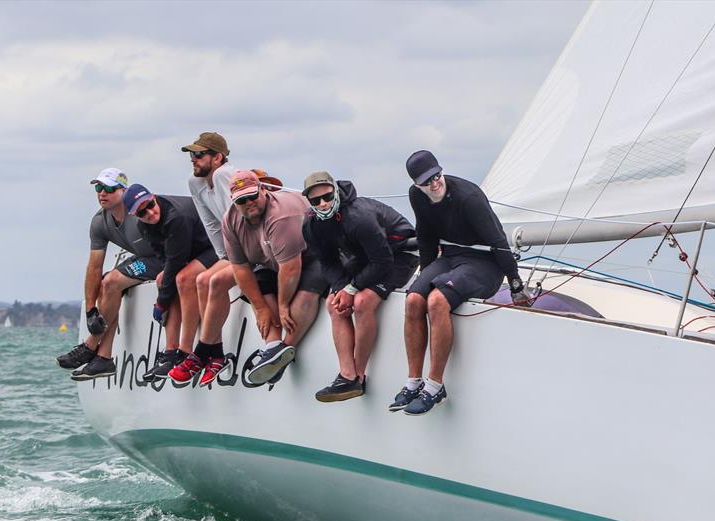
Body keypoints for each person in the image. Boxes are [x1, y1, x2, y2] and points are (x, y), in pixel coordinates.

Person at [390, 150, 530, 416]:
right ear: (416, 185)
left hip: (485, 263)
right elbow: (426, 234)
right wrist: (425, 272)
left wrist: (514, 282)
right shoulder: (416, 195)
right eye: (426, 181)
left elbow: (499, 242)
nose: (434, 183)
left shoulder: (469, 197)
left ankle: (434, 387)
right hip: (452, 257)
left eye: (437, 175)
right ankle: (413, 382)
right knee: (414, 299)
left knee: (437, 301)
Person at [301, 172, 417, 402]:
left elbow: (383, 261)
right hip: (365, 257)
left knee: (363, 302)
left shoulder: (359, 217)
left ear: (335, 192)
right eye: (316, 201)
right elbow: (328, 262)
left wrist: (352, 289)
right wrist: (340, 287)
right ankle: (347, 376)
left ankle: (359, 375)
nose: (323, 203)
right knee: (334, 305)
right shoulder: (311, 226)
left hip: (400, 254)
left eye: (327, 196)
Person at [56, 168, 163, 381]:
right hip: (144, 259)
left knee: (113, 281)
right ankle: (103, 359)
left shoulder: (139, 212)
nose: (102, 193)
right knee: (105, 282)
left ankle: (90, 346)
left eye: (109, 188)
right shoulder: (99, 221)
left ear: (123, 191)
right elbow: (94, 267)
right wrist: (90, 312)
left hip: (165, 259)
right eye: (98, 188)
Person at [223, 170, 327, 385]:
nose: (249, 202)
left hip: (317, 254)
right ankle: (273, 348)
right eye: (242, 200)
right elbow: (240, 268)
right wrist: (260, 308)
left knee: (306, 293)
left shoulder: (281, 214)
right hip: (272, 263)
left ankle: (285, 349)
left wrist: (283, 305)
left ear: (263, 191)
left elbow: (291, 269)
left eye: (253, 196)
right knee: (258, 287)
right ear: (234, 202)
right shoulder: (230, 220)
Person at [122, 184, 218, 383]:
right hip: (192, 251)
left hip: (215, 246)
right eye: (142, 212)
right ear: (135, 216)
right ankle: (170, 351)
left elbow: (175, 265)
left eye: (150, 205)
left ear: (154, 197)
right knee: (163, 280)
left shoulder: (176, 217)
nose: (149, 212)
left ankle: (185, 351)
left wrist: (161, 303)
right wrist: (163, 295)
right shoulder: (144, 226)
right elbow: (165, 259)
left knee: (181, 279)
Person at [177, 132, 238, 385]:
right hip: (234, 251)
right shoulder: (196, 183)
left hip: (255, 249)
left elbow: (236, 219)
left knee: (214, 281)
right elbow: (212, 224)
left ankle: (204, 351)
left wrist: (235, 260)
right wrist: (224, 257)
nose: (193, 159)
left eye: (199, 154)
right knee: (202, 279)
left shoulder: (225, 174)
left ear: (218, 158)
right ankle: (215, 353)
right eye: (192, 154)